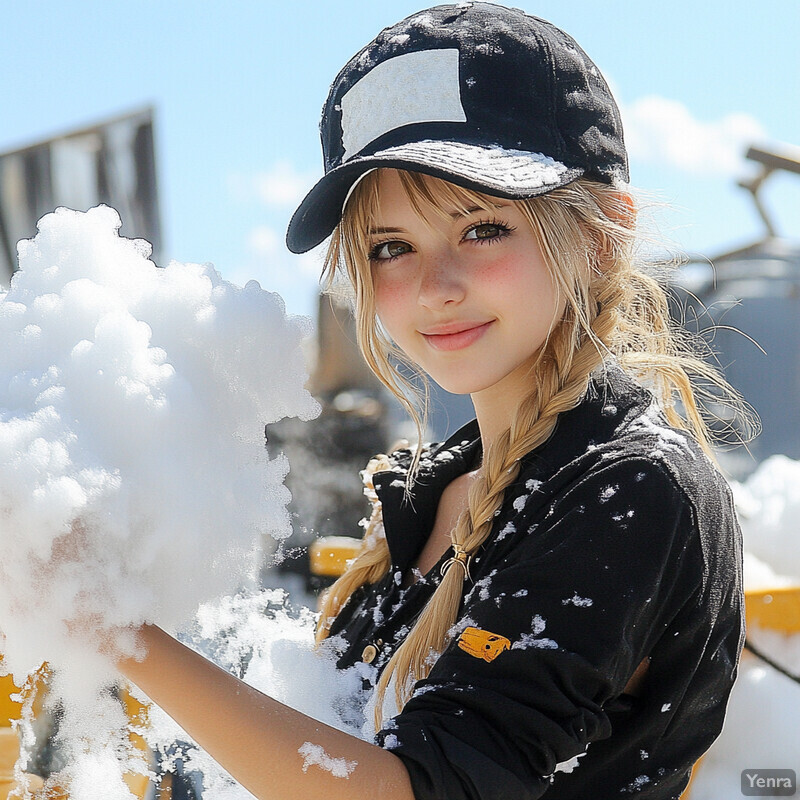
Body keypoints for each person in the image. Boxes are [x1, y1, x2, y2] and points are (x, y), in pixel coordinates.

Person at [118, 4, 746, 799]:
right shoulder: (440, 485)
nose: (435, 288)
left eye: (481, 227)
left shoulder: (628, 489)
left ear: (599, 237)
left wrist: (113, 631)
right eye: (391, 248)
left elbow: (417, 789)